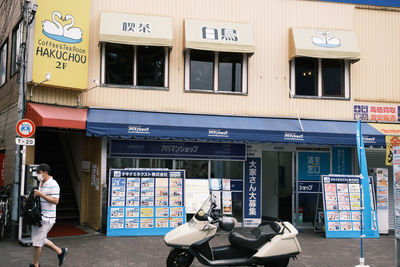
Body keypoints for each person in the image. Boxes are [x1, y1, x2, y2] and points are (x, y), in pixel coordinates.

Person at [29, 163, 68, 267]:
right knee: (41, 239)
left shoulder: (54, 184)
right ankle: (60, 252)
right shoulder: (41, 182)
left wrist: (41, 194)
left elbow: (56, 201)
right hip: (40, 216)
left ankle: (36, 265)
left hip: (47, 218)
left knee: (37, 242)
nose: (37, 174)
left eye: (39, 173)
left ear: (45, 173)